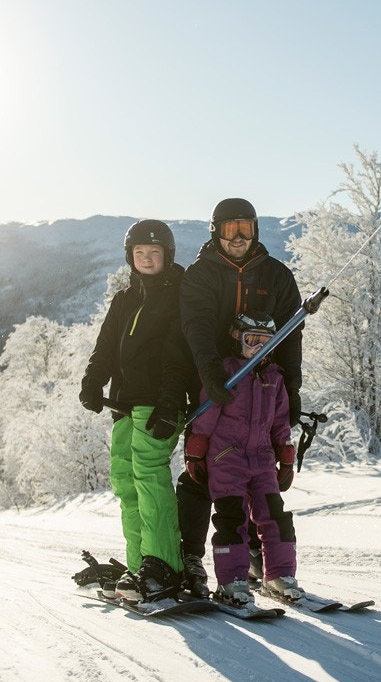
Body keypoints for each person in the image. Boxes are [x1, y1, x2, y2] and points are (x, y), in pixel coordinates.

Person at [176, 197, 304, 599]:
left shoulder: (276, 275)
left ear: (256, 230)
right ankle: (193, 560)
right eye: (229, 229)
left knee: (267, 500)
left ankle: (264, 567)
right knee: (204, 487)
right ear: (215, 231)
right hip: (210, 382)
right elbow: (196, 325)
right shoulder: (201, 274)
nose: (238, 237)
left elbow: (290, 336)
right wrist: (211, 372)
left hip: (263, 387)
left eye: (245, 228)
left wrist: (291, 390)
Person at [79, 219, 199, 604]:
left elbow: (178, 355)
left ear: (167, 256)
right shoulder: (124, 299)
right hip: (124, 405)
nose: (147, 259)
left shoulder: (177, 296)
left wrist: (169, 402)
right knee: (125, 481)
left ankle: (164, 566)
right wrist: (93, 380)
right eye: (140, 253)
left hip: (157, 403)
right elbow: (105, 345)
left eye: (155, 253)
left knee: (149, 476)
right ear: (130, 258)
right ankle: (138, 568)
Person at [185, 313, 300, 607]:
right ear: (238, 340)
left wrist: (285, 455)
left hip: (262, 458)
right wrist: (197, 448)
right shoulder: (227, 372)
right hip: (227, 457)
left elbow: (280, 423)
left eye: (265, 342)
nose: (258, 348)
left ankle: (280, 574)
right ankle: (232, 580)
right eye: (252, 341)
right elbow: (207, 414)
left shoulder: (274, 378)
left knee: (275, 516)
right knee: (231, 518)